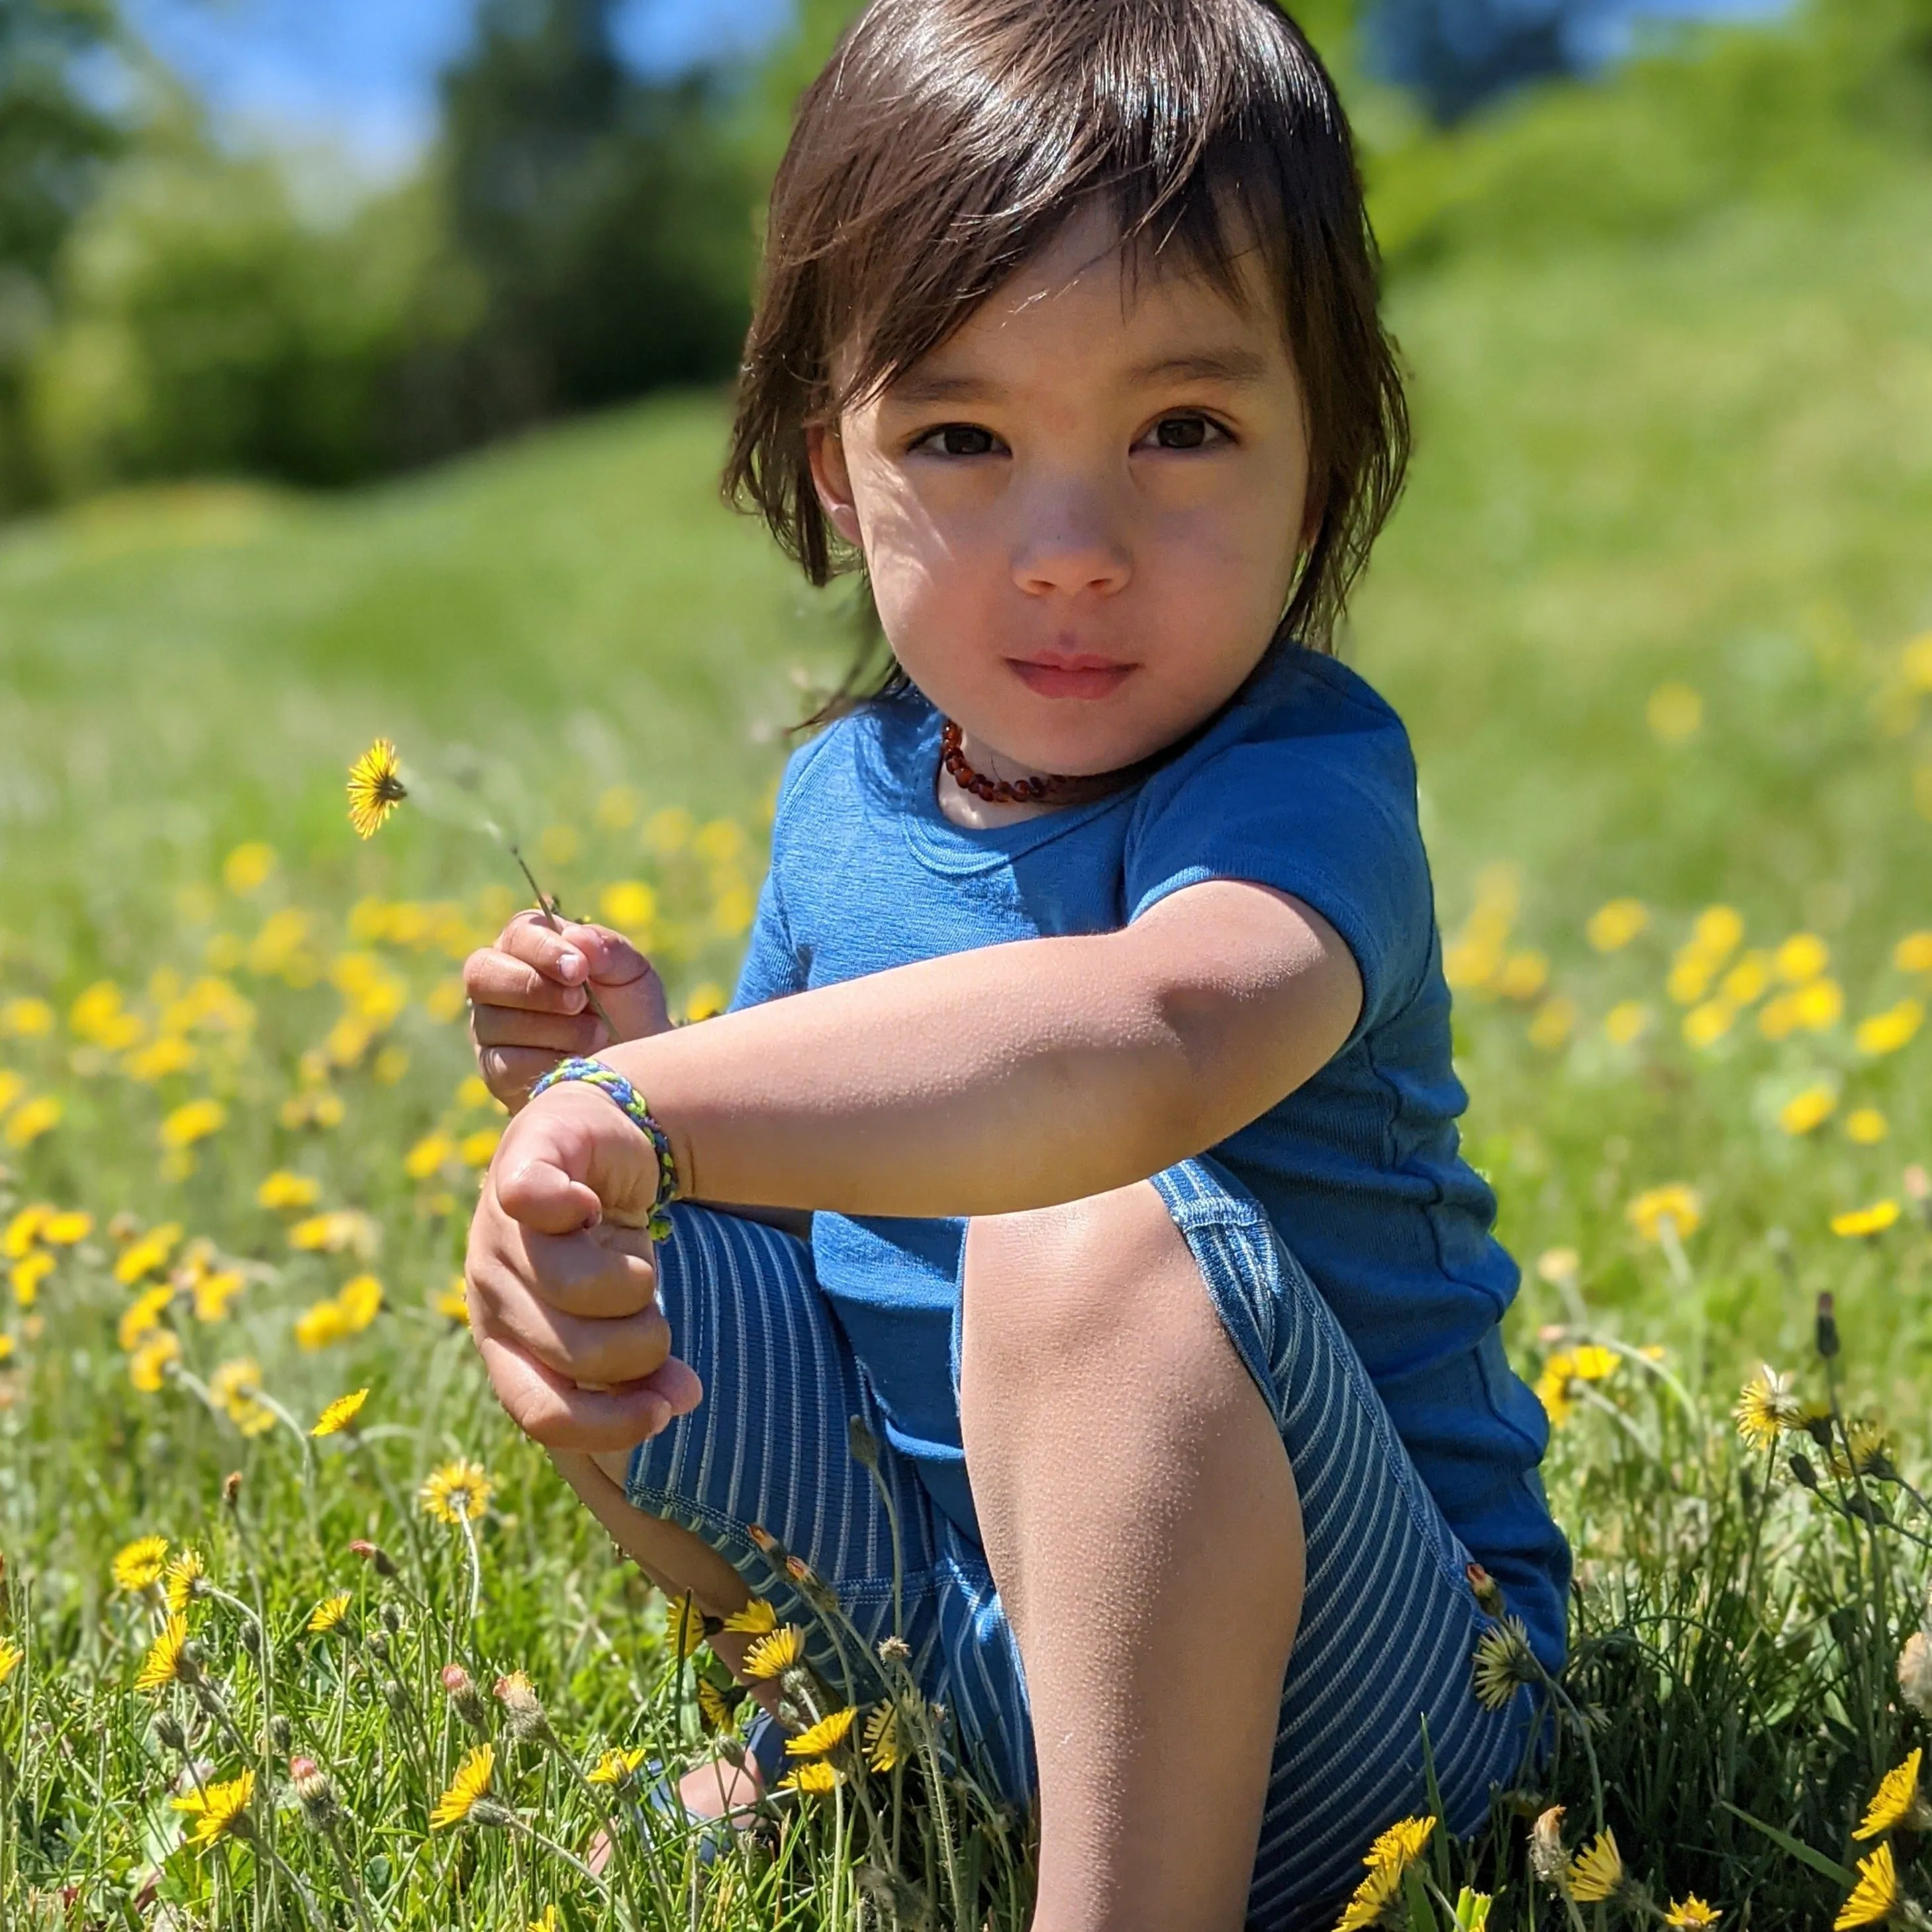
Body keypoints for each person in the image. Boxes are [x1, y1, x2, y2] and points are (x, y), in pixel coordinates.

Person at [459, 2, 1570, 1925]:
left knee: (1084, 1230)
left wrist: (655, 1096)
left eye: (1182, 429)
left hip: (1386, 1701)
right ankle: (833, 1737)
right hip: (972, 1654)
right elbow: (808, 1185)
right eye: (962, 435)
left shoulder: (1298, 788)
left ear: (1325, 456)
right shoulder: (841, 800)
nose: (1069, 545)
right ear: (836, 468)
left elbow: (1145, 1045)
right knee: (593, 1217)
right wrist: (621, 1093)